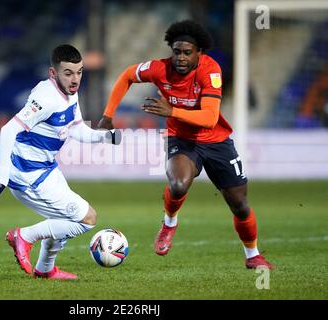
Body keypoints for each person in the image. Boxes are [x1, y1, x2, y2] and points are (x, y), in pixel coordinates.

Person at [98, 20, 274, 269]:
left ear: (199, 52)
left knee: (240, 205)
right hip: (181, 139)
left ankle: (252, 255)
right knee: (179, 184)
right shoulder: (160, 69)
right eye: (177, 51)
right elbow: (127, 75)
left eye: (187, 52)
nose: (180, 57)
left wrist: (173, 110)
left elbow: (210, 118)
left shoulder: (210, 71)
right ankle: (169, 224)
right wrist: (108, 115)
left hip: (216, 141)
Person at [0, 44, 121, 280]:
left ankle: (45, 269)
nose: (75, 79)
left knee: (65, 220)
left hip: (47, 170)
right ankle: (24, 236)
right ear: (52, 73)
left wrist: (104, 136)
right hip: (29, 176)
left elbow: (77, 129)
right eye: (68, 73)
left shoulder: (70, 91)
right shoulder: (46, 98)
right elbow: (8, 130)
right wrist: (0, 176)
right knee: (87, 219)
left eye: (79, 72)